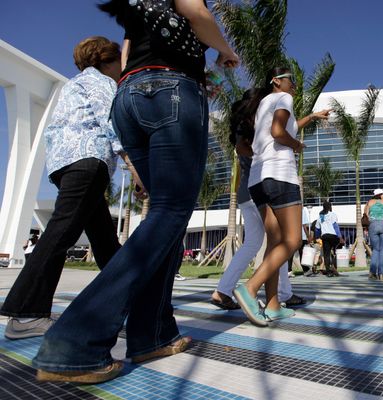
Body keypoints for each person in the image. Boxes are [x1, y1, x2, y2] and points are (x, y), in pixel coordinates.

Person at [33, 0, 239, 384]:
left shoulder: (136, 8)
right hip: (171, 92)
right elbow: (195, 12)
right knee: (171, 211)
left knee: (167, 217)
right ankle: (74, 341)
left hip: (129, 96)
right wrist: (226, 52)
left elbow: (130, 55)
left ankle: (153, 333)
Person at [0, 37, 129, 341]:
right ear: (107, 61)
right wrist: (132, 165)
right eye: (120, 62)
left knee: (105, 241)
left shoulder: (73, 85)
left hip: (65, 164)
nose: (123, 68)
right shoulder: (101, 82)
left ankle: (124, 304)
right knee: (61, 233)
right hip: (88, 162)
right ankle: (26, 313)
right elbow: (110, 121)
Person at [231, 67, 330, 327]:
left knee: (275, 243)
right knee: (292, 239)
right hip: (280, 175)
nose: (295, 86)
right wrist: (296, 146)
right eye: (291, 81)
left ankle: (273, 304)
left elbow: (289, 127)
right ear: (277, 81)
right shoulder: (283, 99)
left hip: (257, 180)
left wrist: (312, 116)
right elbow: (279, 132)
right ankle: (250, 289)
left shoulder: (263, 104)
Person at [210, 91, 304, 311]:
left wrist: (313, 116)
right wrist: (262, 153)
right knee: (278, 240)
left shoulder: (247, 124)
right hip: (259, 186)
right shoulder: (253, 125)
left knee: (259, 241)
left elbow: (292, 126)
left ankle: (223, 290)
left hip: (246, 191)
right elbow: (244, 148)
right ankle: (279, 293)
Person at [364, 189, 383, 280]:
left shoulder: (369, 202)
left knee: (376, 250)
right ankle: (381, 274)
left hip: (373, 225)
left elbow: (365, 215)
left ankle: (372, 272)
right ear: (380, 195)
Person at [315, 201, 342, 277]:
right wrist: (340, 236)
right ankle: (334, 268)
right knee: (334, 252)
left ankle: (328, 271)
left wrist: (317, 237)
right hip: (333, 236)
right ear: (330, 207)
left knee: (326, 254)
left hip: (325, 236)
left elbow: (317, 229)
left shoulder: (320, 217)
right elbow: (335, 226)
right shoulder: (333, 214)